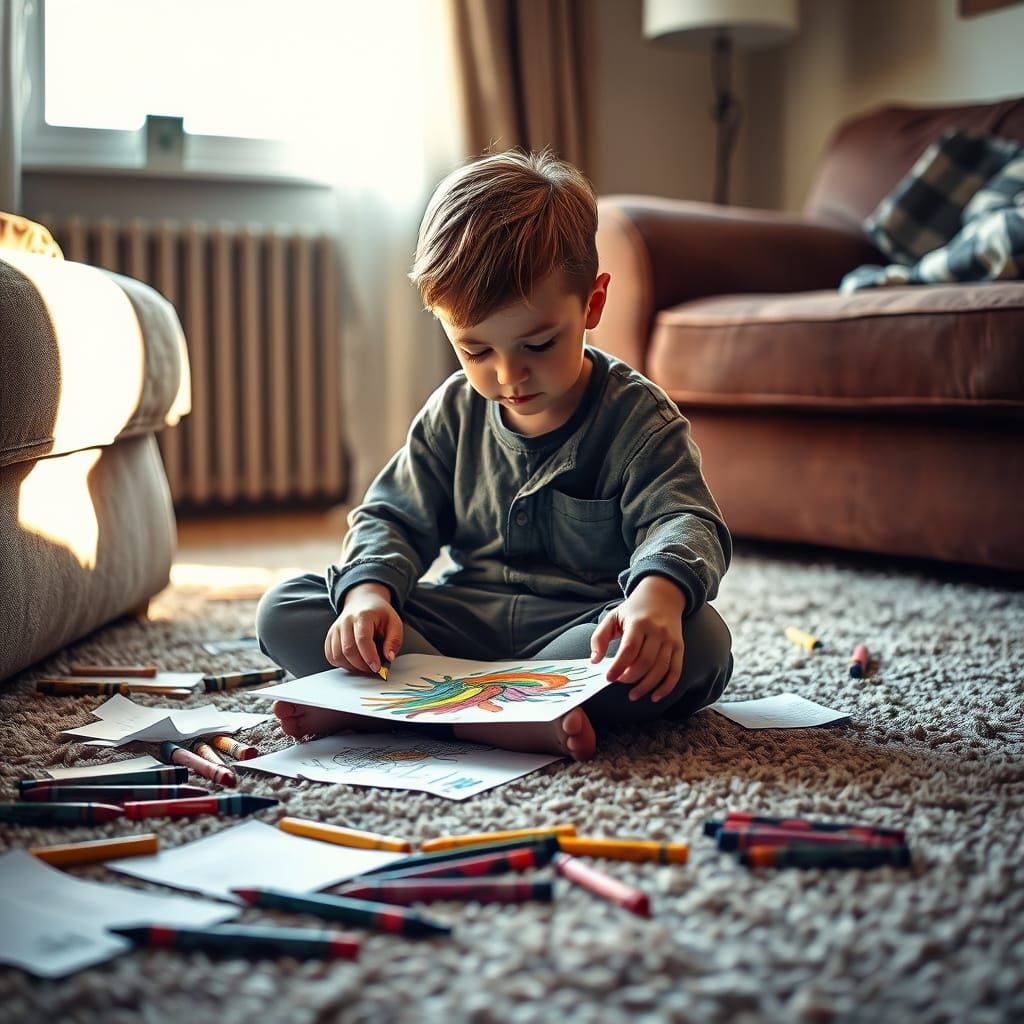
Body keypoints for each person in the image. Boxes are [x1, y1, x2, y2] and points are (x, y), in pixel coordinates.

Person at [256, 149, 733, 761]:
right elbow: (391, 518)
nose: (509, 374)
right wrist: (369, 595)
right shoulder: (453, 411)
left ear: (591, 304)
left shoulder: (639, 419)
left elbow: (685, 520)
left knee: (698, 640)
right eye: (475, 350)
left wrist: (656, 599)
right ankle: (503, 716)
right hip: (464, 626)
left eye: (538, 343)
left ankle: (402, 709)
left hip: (581, 634)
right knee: (289, 607)